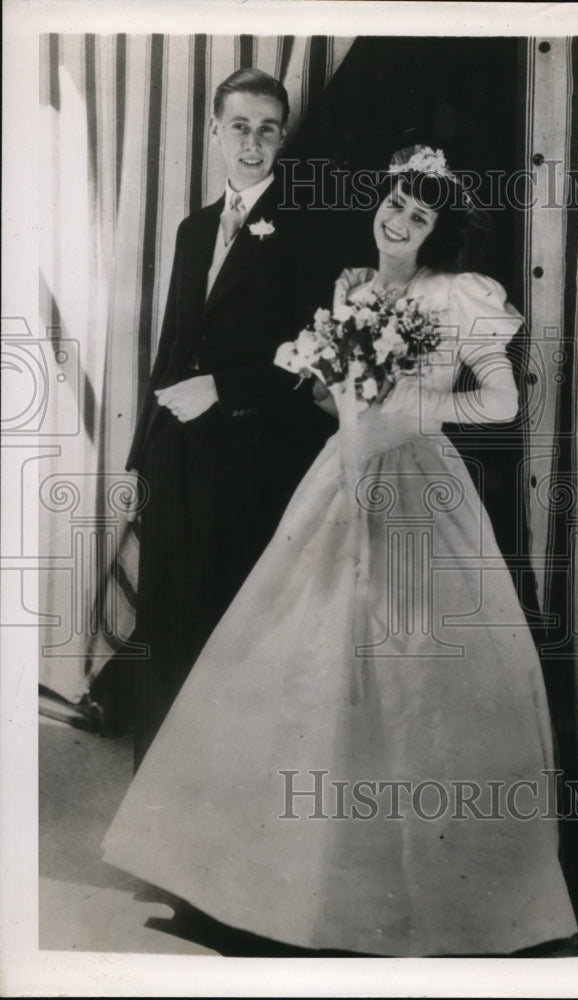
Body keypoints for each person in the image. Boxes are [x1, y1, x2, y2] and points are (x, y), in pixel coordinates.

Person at [103, 147, 578, 956]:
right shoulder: (351, 286)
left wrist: (413, 399)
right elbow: (332, 401)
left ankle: (406, 897)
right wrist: (335, 381)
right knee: (290, 650)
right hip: (338, 480)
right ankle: (252, 882)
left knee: (410, 671)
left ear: (436, 231)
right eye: (394, 203)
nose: (398, 220)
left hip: (419, 485)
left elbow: (499, 401)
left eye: (418, 215)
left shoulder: (457, 295)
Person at [126, 69, 335, 767]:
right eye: (240, 127)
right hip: (176, 461)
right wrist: (140, 459)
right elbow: (170, 346)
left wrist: (224, 388)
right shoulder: (192, 230)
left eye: (267, 129)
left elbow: (314, 358)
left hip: (254, 464)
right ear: (215, 130)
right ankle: (153, 806)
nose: (253, 143)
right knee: (165, 624)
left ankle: (214, 822)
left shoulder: (305, 231)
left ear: (281, 137)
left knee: (229, 636)